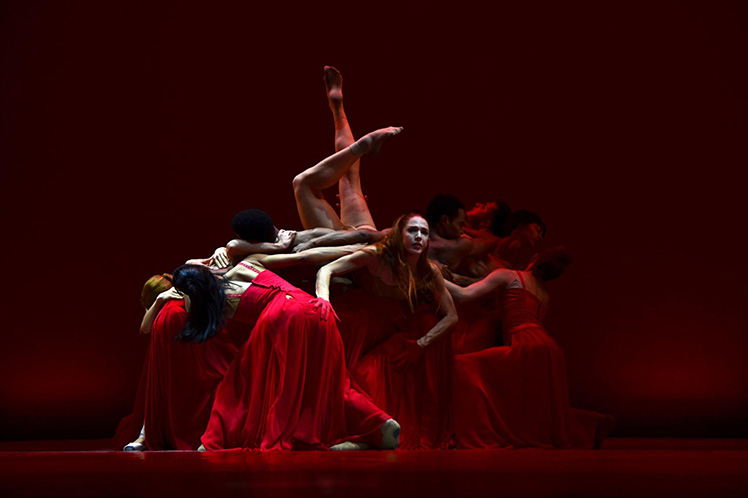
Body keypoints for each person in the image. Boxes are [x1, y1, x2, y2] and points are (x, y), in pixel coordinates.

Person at [159, 238, 401, 451]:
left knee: (238, 383)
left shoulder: (206, 303)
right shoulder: (246, 265)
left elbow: (189, 284)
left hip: (283, 314)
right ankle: (379, 424)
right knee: (330, 383)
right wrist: (358, 248)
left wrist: (167, 295)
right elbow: (305, 256)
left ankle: (214, 440)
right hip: (316, 310)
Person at [445, 247, 615, 449]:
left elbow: (464, 295)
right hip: (549, 349)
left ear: (534, 258)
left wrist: (431, 275)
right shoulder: (544, 295)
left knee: (462, 366)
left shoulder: (509, 276)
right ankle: (590, 424)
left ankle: (479, 431)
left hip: (524, 343)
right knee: (534, 407)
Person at [316, 212, 459, 449]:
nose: (419, 237)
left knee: (370, 374)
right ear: (398, 234)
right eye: (412, 230)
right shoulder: (377, 255)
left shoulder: (427, 270)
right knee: (346, 378)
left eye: (424, 233)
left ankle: (373, 433)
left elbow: (452, 315)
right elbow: (326, 269)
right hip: (357, 320)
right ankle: (364, 433)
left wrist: (421, 344)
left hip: (387, 327)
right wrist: (324, 299)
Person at [114, 273, 239, 451]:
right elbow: (145, 327)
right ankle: (144, 436)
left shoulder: (179, 304)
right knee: (162, 395)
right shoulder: (163, 305)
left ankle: (145, 436)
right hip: (168, 353)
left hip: (180, 353)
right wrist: (158, 301)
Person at [425, 193, 497, 279]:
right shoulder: (455, 246)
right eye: (460, 225)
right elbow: (492, 241)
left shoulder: (416, 240)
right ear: (445, 221)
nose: (462, 231)